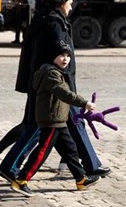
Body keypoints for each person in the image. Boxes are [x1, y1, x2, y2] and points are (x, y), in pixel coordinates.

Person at [0, 0, 110, 181]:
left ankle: (85, 169)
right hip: (53, 86)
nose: (71, 6)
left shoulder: (47, 19)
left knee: (66, 127)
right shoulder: (53, 24)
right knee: (40, 127)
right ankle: (9, 165)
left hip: (48, 83)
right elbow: (59, 55)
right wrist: (66, 87)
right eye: (69, 2)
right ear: (61, 3)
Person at [10, 40, 100, 196]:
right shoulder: (51, 74)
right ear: (52, 56)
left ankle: (81, 179)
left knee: (70, 150)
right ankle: (21, 180)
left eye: (67, 55)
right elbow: (63, 93)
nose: (65, 59)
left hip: (59, 120)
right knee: (42, 151)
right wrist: (84, 103)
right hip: (51, 120)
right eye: (61, 55)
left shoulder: (56, 72)